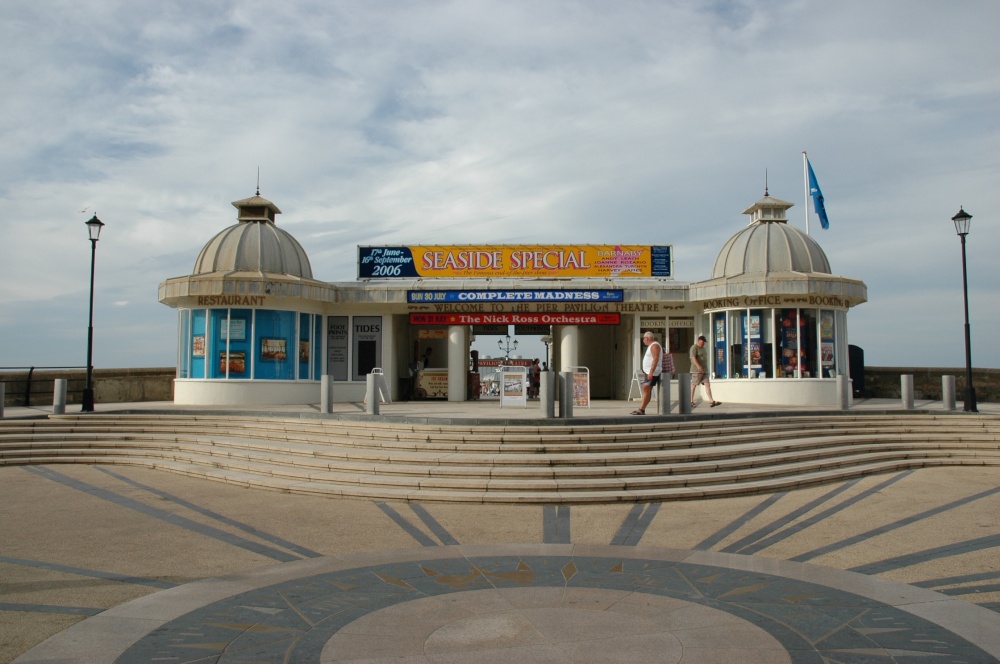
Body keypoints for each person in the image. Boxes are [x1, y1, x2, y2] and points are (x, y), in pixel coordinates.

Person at [631, 331, 663, 415]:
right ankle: (642, 409)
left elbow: (655, 359)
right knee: (647, 389)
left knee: (646, 388)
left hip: (652, 372)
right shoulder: (651, 346)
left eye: (644, 339)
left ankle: (641, 409)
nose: (643, 341)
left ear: (647, 338)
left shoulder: (655, 346)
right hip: (649, 371)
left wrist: (651, 372)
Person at [689, 335, 721, 408]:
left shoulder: (703, 348)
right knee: (694, 385)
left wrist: (704, 368)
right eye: (702, 342)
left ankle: (711, 401)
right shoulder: (694, 347)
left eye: (704, 342)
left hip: (704, 369)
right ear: (699, 341)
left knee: (707, 384)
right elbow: (693, 358)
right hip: (696, 370)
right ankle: (691, 400)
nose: (703, 343)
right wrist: (698, 366)